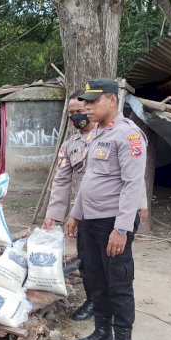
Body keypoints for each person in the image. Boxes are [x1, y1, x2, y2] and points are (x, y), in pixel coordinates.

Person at [64, 79, 148, 340]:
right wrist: (75, 214)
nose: (87, 108)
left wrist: (122, 228)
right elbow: (89, 180)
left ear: (112, 100)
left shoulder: (129, 136)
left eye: (92, 102)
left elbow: (133, 184)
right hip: (90, 219)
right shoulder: (98, 133)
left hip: (113, 222)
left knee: (119, 282)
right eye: (85, 103)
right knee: (96, 279)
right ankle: (102, 333)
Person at [43, 92, 97, 321]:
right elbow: (62, 180)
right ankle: (93, 300)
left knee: (113, 261)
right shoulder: (69, 145)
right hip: (83, 210)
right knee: (86, 256)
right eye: (71, 114)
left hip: (111, 209)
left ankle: (114, 302)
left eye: (80, 112)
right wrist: (53, 215)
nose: (76, 117)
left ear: (92, 109)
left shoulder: (109, 136)